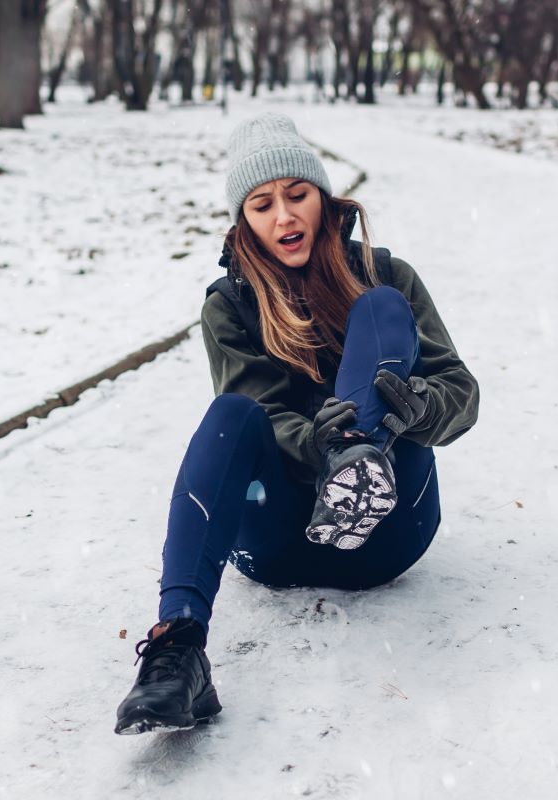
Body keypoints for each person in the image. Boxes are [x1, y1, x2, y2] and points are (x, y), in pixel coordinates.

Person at [114, 113, 479, 735]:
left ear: (324, 199)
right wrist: (316, 441)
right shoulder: (229, 306)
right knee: (230, 413)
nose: (283, 216)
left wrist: (420, 407)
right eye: (262, 204)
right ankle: (177, 648)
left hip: (389, 536)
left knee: (383, 310)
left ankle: (363, 459)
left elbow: (460, 394)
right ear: (244, 221)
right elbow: (257, 413)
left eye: (297, 195)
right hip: (275, 543)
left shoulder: (388, 274)